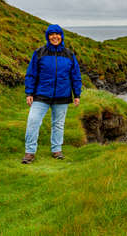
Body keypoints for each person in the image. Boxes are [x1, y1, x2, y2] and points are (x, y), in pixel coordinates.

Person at [22, 24, 82, 164]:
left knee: (58, 124)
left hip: (62, 95)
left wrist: (77, 94)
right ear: (48, 37)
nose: (55, 36)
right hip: (41, 95)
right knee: (33, 121)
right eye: (51, 34)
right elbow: (31, 74)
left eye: (57, 34)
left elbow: (75, 76)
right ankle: (30, 152)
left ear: (61, 36)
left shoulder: (69, 55)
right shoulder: (39, 53)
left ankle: (56, 150)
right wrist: (29, 92)